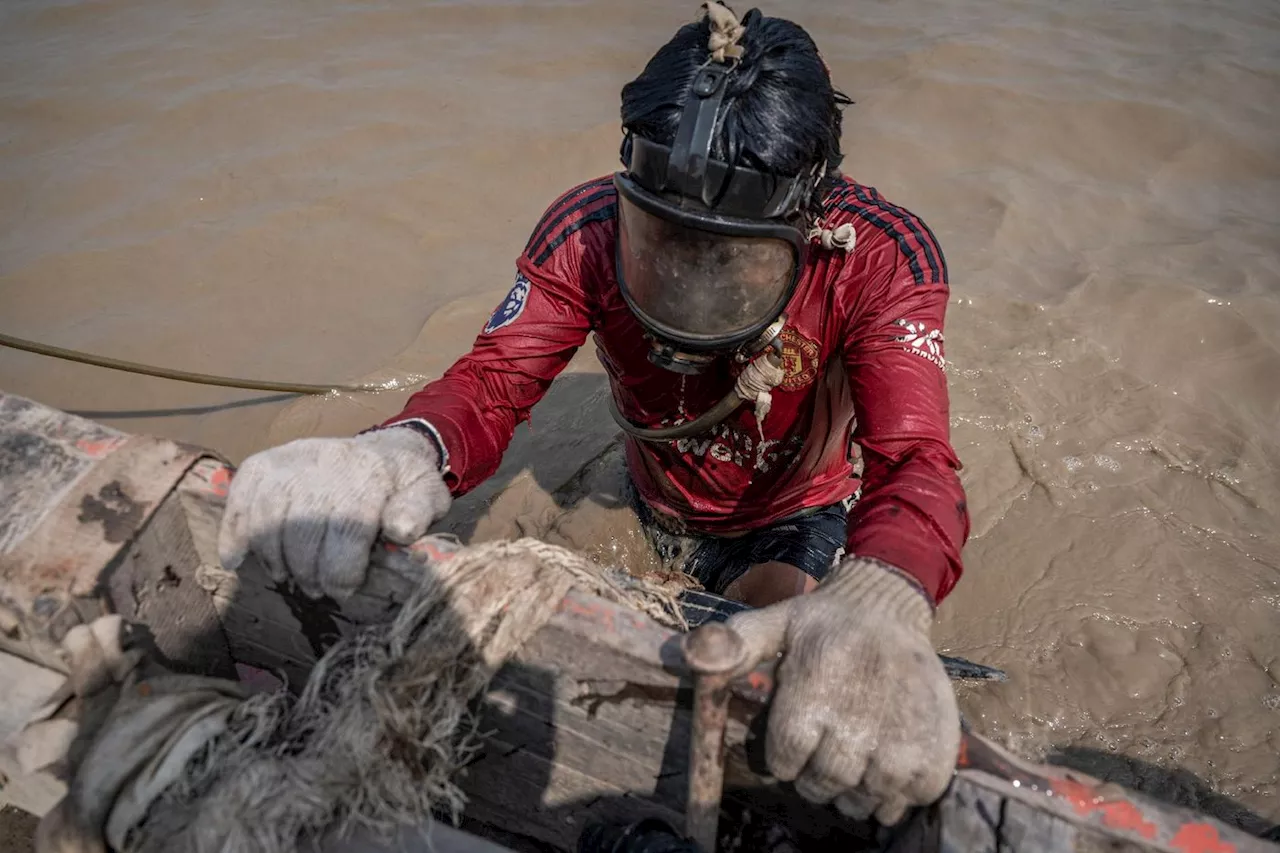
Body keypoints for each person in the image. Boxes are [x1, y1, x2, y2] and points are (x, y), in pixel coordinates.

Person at [219, 2, 970, 828]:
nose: (690, 286)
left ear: (811, 217)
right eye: (665, 244)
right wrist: (403, 447)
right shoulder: (585, 230)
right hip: (656, 494)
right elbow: (494, 381)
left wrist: (887, 588)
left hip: (790, 509)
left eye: (732, 260)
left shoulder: (879, 256)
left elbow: (916, 460)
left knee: (778, 647)